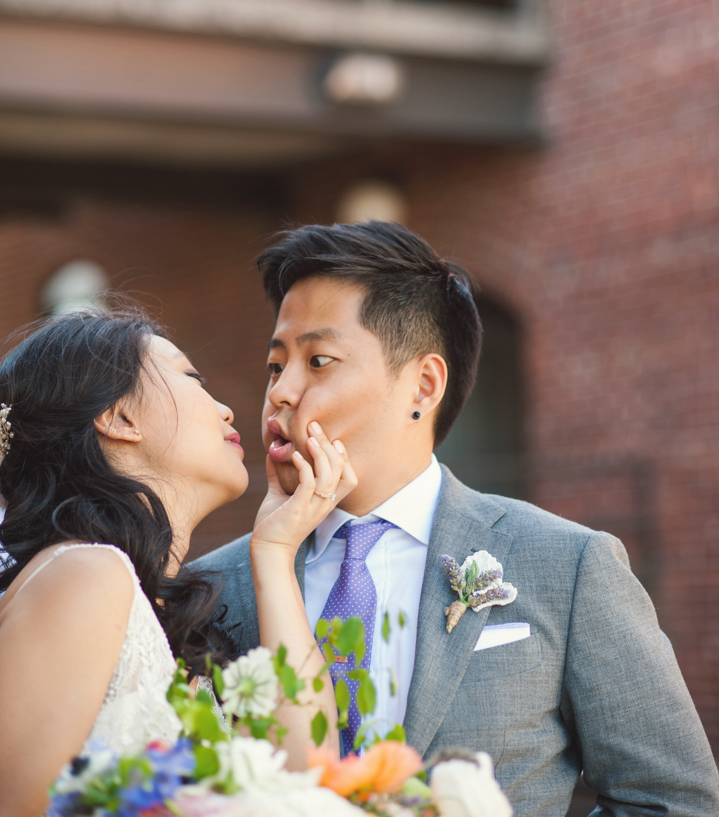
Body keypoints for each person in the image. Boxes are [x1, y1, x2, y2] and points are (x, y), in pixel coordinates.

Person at [197, 221, 719, 817]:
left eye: (318, 361)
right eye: (274, 366)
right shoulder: (209, 589)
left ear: (424, 384)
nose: (282, 392)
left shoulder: (566, 565)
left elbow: (671, 800)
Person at [0, 308, 355, 817]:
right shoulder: (83, 575)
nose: (228, 409)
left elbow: (307, 776)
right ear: (119, 417)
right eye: (192, 378)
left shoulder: (159, 608)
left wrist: (275, 553)